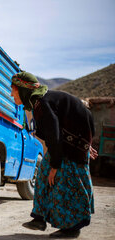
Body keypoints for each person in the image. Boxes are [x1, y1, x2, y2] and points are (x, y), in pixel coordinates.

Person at [10, 72, 98, 238]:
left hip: (72, 143)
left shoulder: (42, 103)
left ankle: (73, 227)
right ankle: (39, 218)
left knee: (70, 181)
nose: (11, 94)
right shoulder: (38, 103)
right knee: (43, 173)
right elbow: (54, 133)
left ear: (23, 90)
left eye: (13, 90)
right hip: (71, 140)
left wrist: (55, 166)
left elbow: (54, 134)